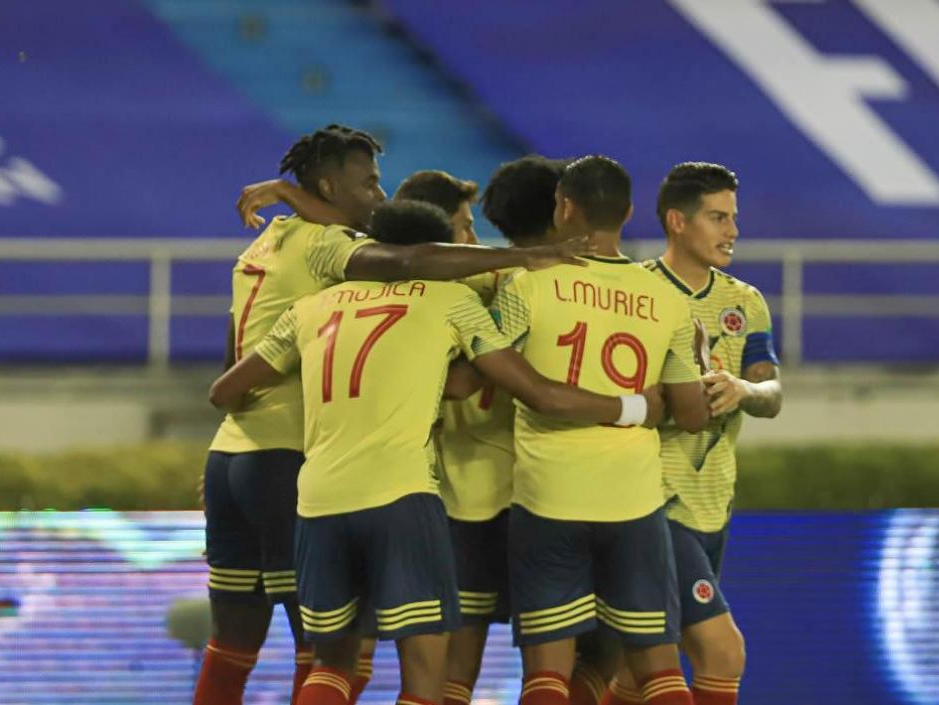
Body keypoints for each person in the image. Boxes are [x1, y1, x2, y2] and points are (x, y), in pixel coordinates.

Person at [208, 200, 665, 705]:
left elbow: (224, 391)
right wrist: (636, 406)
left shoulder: (313, 307)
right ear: (437, 253)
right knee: (426, 675)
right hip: (401, 496)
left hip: (318, 502)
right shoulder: (449, 300)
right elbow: (532, 392)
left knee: (332, 665)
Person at [490, 156, 710, 705]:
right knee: (660, 670)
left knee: (546, 677)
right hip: (633, 501)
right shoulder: (668, 299)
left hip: (549, 497)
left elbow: (485, 376)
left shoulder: (528, 286)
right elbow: (691, 413)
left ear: (564, 208)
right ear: (630, 212)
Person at [601, 162, 783, 705]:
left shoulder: (745, 302)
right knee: (721, 651)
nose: (731, 231)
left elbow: (771, 394)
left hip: (712, 501)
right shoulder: (633, 294)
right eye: (717, 218)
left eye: (733, 218)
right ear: (677, 222)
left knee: (639, 672)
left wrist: (743, 391)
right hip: (653, 499)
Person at [433, 156, 571, 705]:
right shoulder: (563, 290)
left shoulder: (458, 282)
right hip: (542, 494)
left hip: (460, 492)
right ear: (565, 210)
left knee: (452, 673)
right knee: (557, 665)